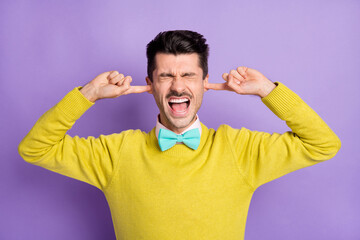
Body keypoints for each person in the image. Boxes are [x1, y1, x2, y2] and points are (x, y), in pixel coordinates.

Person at [18, 30, 341, 240]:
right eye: (166, 76)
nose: (177, 86)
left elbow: (323, 144)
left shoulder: (240, 148)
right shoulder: (115, 152)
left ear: (204, 82)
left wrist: (269, 91)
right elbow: (35, 149)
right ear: (150, 83)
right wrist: (86, 95)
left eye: (188, 75)